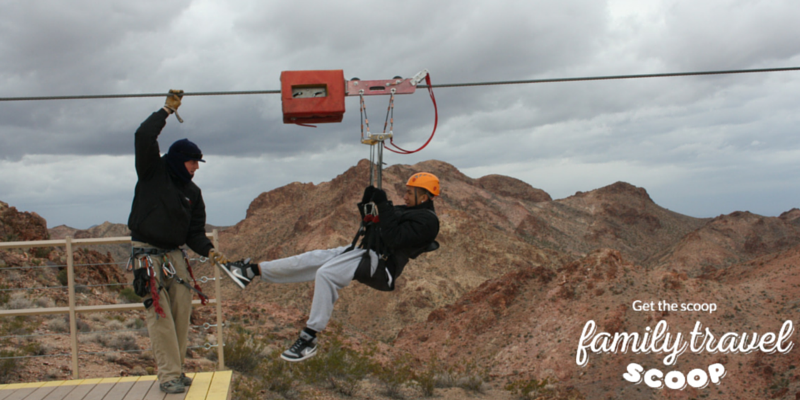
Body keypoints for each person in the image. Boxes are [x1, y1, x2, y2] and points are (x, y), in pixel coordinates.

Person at [218, 173, 441, 362]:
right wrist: (369, 202)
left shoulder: (428, 222)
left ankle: (309, 338)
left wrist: (383, 204)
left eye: (409, 192)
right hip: (366, 253)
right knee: (312, 258)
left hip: (381, 267)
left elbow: (394, 238)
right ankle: (251, 272)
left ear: (422, 196)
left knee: (326, 274)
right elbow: (374, 223)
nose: (404, 195)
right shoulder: (409, 211)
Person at [127, 90, 228, 394]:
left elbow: (194, 232)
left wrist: (210, 251)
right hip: (147, 256)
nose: (196, 168)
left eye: (197, 163)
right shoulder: (152, 171)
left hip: (174, 256)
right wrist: (166, 111)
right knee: (159, 314)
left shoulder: (193, 194)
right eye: (193, 162)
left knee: (182, 312)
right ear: (179, 160)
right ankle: (169, 374)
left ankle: (177, 369)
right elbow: (143, 134)